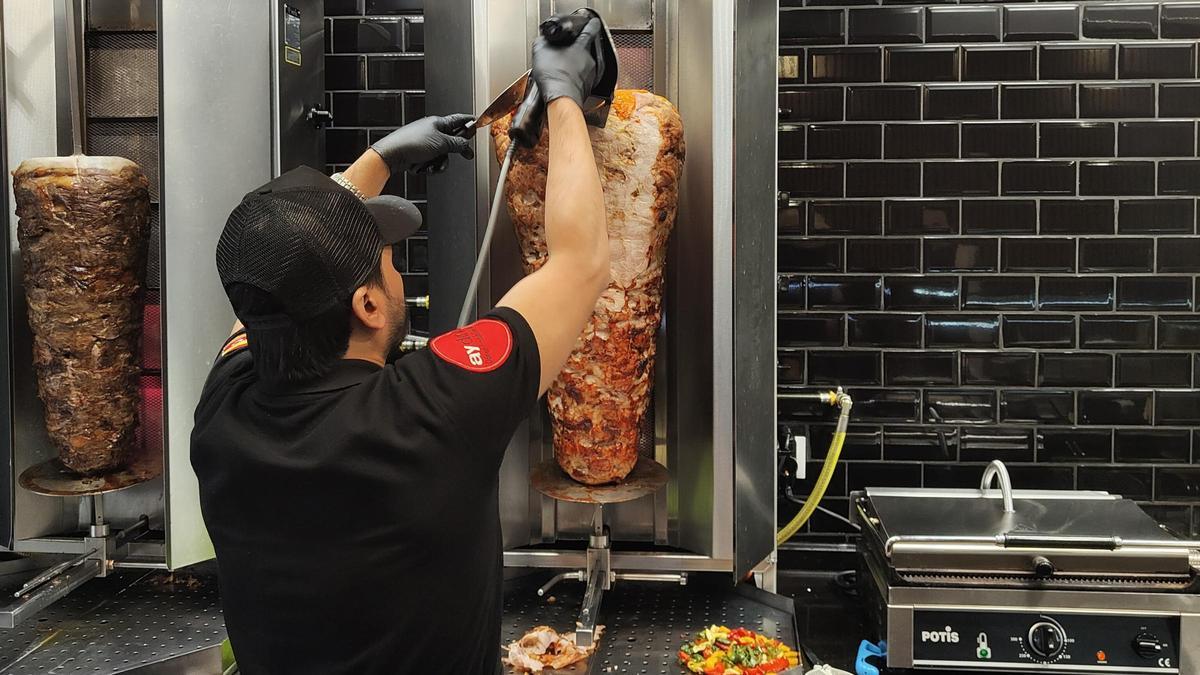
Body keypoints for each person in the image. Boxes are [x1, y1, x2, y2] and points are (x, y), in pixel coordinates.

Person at [190, 19, 609, 675]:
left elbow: (271, 288)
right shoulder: (429, 412)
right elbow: (580, 260)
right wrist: (564, 94)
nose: (396, 272)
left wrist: (378, 161)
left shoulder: (223, 411)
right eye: (385, 260)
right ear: (366, 305)